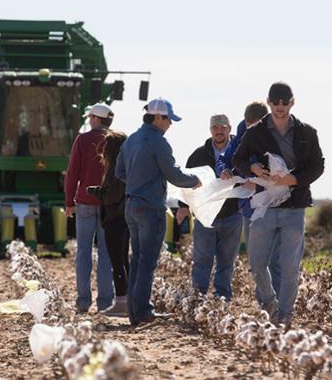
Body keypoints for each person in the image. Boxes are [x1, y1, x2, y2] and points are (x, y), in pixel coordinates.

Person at [232, 82, 324, 326]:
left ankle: (285, 315)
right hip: (265, 206)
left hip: (295, 206)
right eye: (276, 102)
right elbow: (237, 158)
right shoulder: (255, 132)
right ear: (269, 102)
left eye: (285, 102)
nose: (280, 106)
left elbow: (318, 166)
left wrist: (293, 179)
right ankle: (270, 302)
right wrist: (251, 167)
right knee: (257, 263)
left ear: (293, 102)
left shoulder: (307, 132)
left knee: (290, 266)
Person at [116, 98, 201, 326]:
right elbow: (173, 175)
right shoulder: (158, 142)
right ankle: (143, 313)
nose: (170, 124)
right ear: (157, 118)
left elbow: (119, 171)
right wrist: (195, 181)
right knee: (147, 262)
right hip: (150, 207)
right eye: (169, 119)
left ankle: (135, 313)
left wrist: (137, 182)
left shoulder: (131, 139)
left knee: (137, 260)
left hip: (131, 204)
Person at [215, 102, 284, 295]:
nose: (251, 130)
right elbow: (226, 158)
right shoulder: (241, 134)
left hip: (272, 207)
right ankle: (265, 301)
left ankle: (277, 306)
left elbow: (283, 172)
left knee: (274, 261)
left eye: (255, 126)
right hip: (248, 207)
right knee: (255, 260)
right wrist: (224, 170)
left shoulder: (278, 135)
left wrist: (260, 184)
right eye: (248, 125)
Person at [175, 114, 243, 300]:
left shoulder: (240, 152)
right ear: (210, 130)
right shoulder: (198, 155)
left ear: (229, 129)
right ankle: (198, 298)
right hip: (205, 216)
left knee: (227, 261)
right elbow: (186, 182)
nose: (219, 131)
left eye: (222, 127)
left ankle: (222, 300)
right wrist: (182, 207)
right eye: (215, 127)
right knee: (202, 260)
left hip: (232, 214)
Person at [65, 103, 116, 313]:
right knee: (106, 254)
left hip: (85, 201)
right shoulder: (117, 140)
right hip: (110, 204)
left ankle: (83, 302)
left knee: (84, 253)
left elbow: (72, 173)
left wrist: (69, 201)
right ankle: (105, 303)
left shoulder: (83, 139)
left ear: (95, 118)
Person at [87, 130, 130, 317]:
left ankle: (121, 302)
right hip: (124, 217)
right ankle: (128, 300)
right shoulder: (127, 166)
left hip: (114, 219)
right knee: (123, 259)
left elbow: (111, 196)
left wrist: (97, 193)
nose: (103, 149)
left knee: (117, 262)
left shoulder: (115, 168)